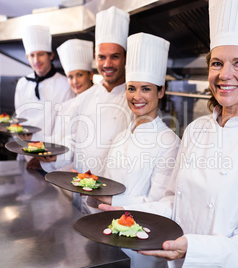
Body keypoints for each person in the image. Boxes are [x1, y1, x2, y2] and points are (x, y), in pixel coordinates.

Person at [99, 0, 238, 267]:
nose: (225, 75)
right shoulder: (195, 131)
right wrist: (129, 210)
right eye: (217, 63)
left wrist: (194, 248)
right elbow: (173, 202)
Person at [89, 32, 180, 268]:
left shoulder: (168, 141)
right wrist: (90, 191)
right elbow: (104, 184)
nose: (136, 97)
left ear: (160, 92)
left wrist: (109, 199)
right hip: (107, 235)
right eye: (131, 88)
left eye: (146, 89)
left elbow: (160, 204)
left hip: (141, 249)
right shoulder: (121, 136)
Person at [39, 6, 133, 212]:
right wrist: (55, 157)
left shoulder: (135, 100)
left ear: (126, 58)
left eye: (115, 56)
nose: (107, 63)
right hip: (83, 195)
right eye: (101, 57)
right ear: (95, 59)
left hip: (119, 199)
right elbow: (73, 142)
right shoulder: (85, 99)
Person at [14, 25, 75, 169]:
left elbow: (66, 129)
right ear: (27, 57)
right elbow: (18, 121)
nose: (36, 60)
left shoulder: (65, 84)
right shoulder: (22, 84)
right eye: (32, 55)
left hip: (51, 160)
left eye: (41, 54)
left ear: (51, 55)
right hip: (24, 156)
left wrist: (42, 157)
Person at [52, 39, 94, 147]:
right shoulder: (64, 107)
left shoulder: (97, 104)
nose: (75, 81)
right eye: (70, 77)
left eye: (79, 75)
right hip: (58, 162)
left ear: (90, 75)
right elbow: (55, 140)